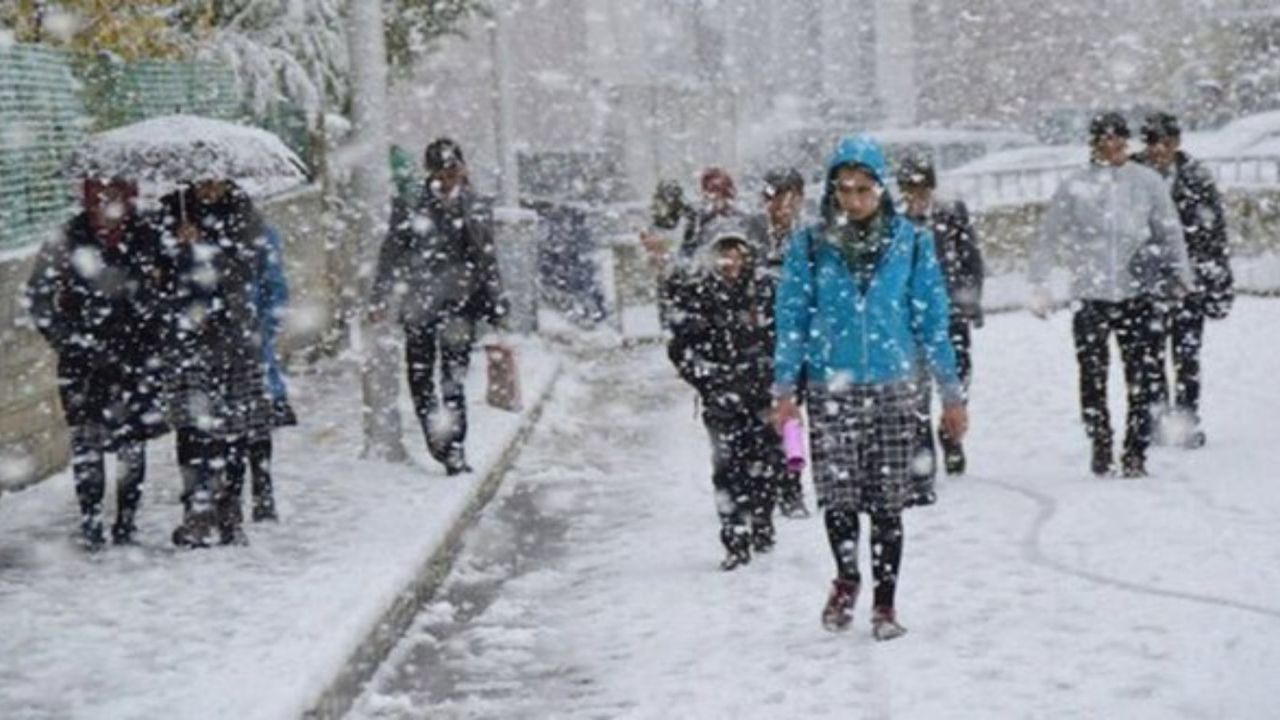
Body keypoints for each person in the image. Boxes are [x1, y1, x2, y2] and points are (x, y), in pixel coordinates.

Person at [772, 136, 968, 640]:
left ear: (882, 189)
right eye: (844, 189)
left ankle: (885, 602)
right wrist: (784, 391)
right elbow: (791, 318)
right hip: (830, 385)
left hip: (894, 384)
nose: (853, 199)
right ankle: (847, 576)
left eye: (863, 189)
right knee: (838, 496)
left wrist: (951, 393)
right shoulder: (811, 245)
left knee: (887, 500)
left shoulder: (912, 242)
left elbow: (932, 319)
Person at [1028, 112, 1193, 478]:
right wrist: (1040, 282)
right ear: (1093, 144)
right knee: (1092, 375)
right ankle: (1100, 441)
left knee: (1142, 375)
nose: (1112, 148)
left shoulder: (1146, 182)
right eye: (1104, 141)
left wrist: (1182, 275)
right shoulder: (1075, 184)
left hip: (1137, 292)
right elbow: (1049, 235)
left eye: (1118, 141)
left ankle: (1136, 450)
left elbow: (1169, 231)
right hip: (1091, 293)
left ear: (1126, 143)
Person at [25, 176, 166, 549]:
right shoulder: (67, 237)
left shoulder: (148, 235)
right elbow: (39, 297)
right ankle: (90, 519)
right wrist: (68, 340)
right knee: (87, 442)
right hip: (83, 361)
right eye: (98, 198)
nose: (106, 206)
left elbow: (174, 288)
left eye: (114, 197)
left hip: (135, 358)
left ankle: (126, 520)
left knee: (132, 442)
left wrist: (154, 317)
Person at [369, 138, 509, 475]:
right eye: (441, 173)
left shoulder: (475, 206)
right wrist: (380, 296)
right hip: (419, 304)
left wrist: (496, 301)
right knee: (420, 376)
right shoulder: (410, 206)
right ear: (430, 174)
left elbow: (486, 257)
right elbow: (391, 253)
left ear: (461, 169)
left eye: (453, 171)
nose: (448, 180)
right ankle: (437, 439)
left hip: (460, 305)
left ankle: (454, 448)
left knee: (453, 379)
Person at [155, 179, 274, 547]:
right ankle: (196, 511)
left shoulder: (243, 212)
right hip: (187, 338)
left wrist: (204, 243)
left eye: (215, 180)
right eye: (201, 180)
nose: (208, 188)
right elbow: (156, 271)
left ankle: (229, 512)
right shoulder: (170, 208)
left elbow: (248, 267)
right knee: (191, 429)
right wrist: (176, 249)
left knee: (233, 428)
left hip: (233, 337)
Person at [667, 230, 780, 570]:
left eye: (738, 253)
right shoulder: (699, 295)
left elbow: (788, 338)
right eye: (724, 254)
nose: (731, 262)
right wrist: (708, 380)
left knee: (765, 463)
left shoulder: (765, 292)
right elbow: (681, 348)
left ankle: (762, 521)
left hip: (763, 395)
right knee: (727, 469)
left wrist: (780, 379)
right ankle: (734, 537)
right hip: (722, 399)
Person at [1132, 111, 1234, 448]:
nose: (1159, 149)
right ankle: (1158, 418)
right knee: (1150, 356)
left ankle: (1186, 419)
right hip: (1146, 282)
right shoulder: (1131, 177)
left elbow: (1214, 233)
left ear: (1177, 142)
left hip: (1191, 281)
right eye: (1153, 142)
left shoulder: (1195, 177)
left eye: (1166, 141)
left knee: (1187, 355)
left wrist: (1216, 282)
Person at [897, 155, 985, 475]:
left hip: (950, 312)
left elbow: (970, 259)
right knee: (915, 388)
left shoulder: (951, 215)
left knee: (957, 378)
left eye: (921, 188)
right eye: (909, 188)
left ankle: (951, 436)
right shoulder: (896, 224)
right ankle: (922, 455)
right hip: (912, 319)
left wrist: (970, 302)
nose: (916, 195)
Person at [223, 223, 296, 523]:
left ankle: (262, 489)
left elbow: (275, 288)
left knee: (257, 418)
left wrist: (262, 328)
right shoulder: (199, 232)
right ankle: (235, 496)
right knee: (231, 423)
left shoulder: (258, 234)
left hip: (251, 340)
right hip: (220, 342)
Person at [749, 168, 810, 517]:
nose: (783, 206)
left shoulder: (810, 239)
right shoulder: (753, 237)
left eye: (790, 197)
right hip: (760, 339)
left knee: (792, 413)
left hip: (801, 338)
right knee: (768, 413)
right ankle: (771, 485)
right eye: (775, 197)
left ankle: (791, 484)